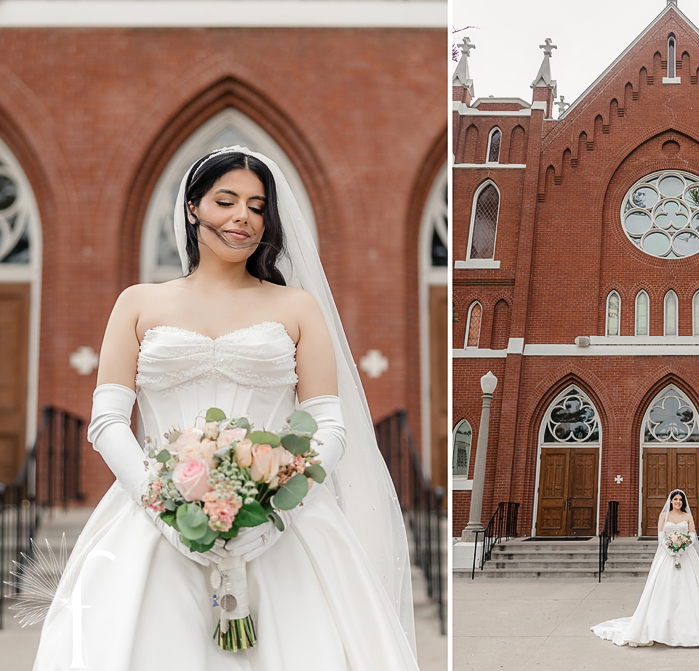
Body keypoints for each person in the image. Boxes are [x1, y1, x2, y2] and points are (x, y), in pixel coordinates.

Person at [33, 147, 420, 670]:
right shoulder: (138, 302)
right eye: (226, 201)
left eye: (258, 207)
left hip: (282, 525)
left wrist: (277, 508)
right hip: (153, 520)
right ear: (193, 208)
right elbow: (106, 422)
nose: (243, 217)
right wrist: (165, 509)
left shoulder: (296, 307)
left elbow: (329, 422)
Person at [591, 489, 699, 648]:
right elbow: (661, 536)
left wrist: (682, 547)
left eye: (680, 500)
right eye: (675, 499)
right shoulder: (663, 516)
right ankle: (658, 629)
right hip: (666, 555)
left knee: (689, 590)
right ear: (671, 501)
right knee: (663, 589)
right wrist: (670, 549)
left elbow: (693, 535)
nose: (678, 502)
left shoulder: (688, 516)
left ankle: (692, 628)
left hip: (686, 555)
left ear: (683, 502)